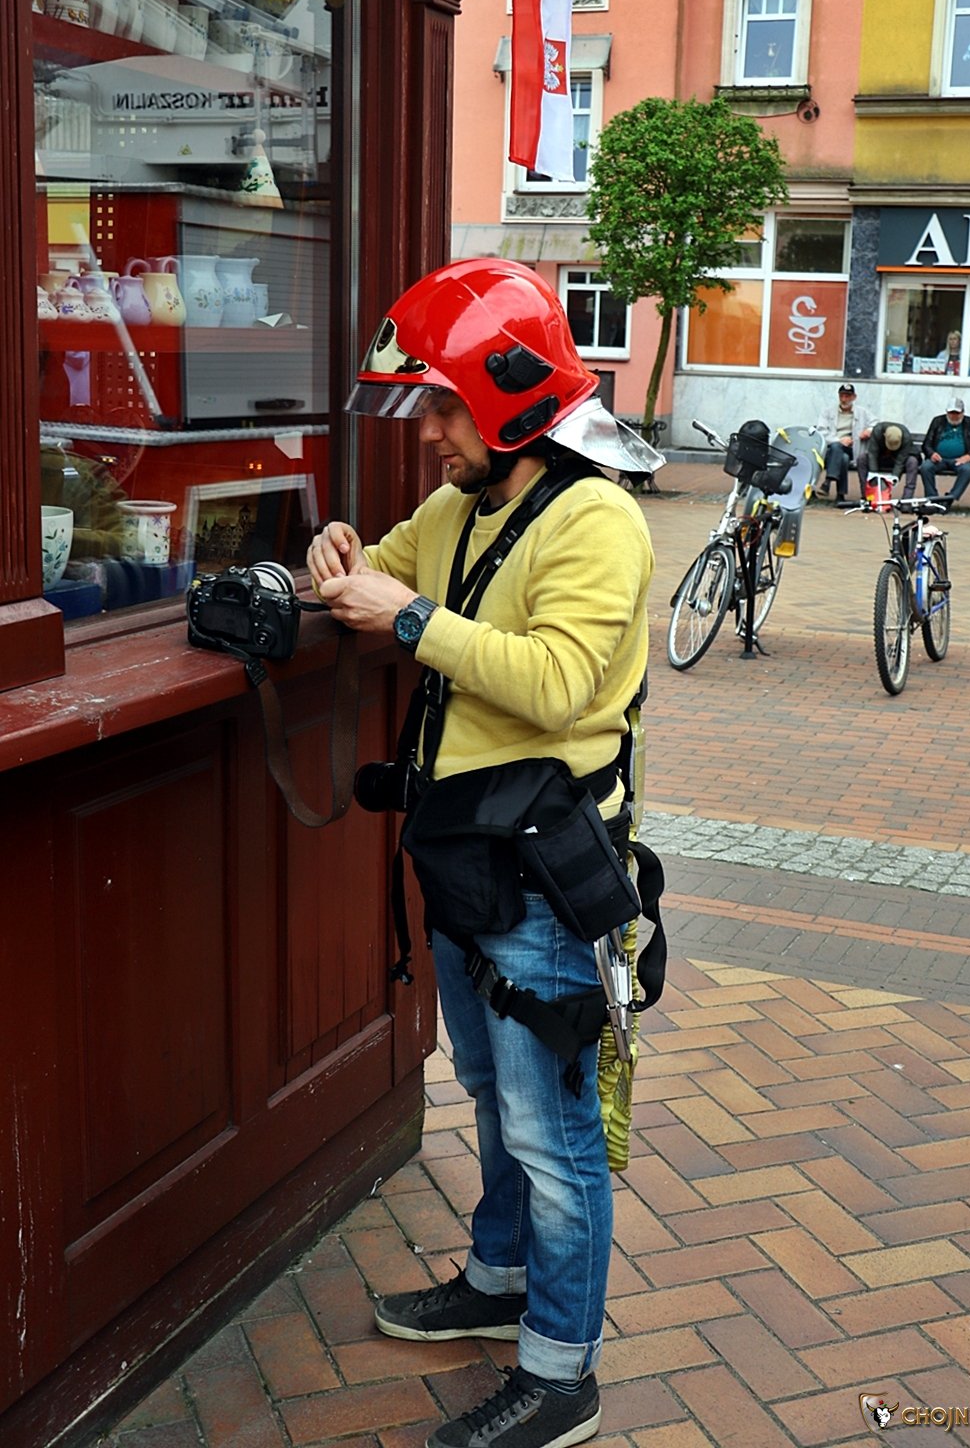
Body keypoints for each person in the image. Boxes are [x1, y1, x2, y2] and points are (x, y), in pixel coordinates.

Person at [307, 259, 662, 1448]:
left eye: (449, 407)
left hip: (544, 877)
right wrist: (342, 556)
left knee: (554, 1140)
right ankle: (499, 1278)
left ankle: (561, 1378)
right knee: (494, 1101)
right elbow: (383, 567)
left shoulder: (596, 519)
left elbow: (557, 683)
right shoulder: (461, 507)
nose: (431, 432)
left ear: (511, 402)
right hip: (466, 856)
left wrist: (407, 618)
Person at [920, 395, 970, 506]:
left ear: (962, 412)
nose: (954, 416)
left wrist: (969, 456)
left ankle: (950, 498)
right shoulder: (937, 421)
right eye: (951, 413)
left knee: (968, 470)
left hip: (960, 460)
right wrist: (931, 453)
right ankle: (932, 498)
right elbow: (927, 443)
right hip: (939, 459)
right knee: (926, 467)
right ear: (947, 412)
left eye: (957, 413)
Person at [815, 382, 873, 502]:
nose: (844, 399)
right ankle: (840, 495)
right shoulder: (827, 412)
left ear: (854, 397)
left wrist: (868, 430)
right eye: (841, 396)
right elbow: (821, 431)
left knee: (842, 453)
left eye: (847, 396)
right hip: (830, 450)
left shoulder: (862, 412)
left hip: (852, 449)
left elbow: (876, 424)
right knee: (842, 457)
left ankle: (828, 482)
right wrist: (839, 440)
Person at [865, 421, 918, 500]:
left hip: (897, 459)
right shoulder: (877, 431)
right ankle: (868, 497)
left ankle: (907, 499)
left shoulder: (906, 437)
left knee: (912, 461)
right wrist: (873, 475)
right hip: (881, 458)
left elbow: (901, 459)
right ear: (884, 435)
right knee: (862, 459)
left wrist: (895, 476)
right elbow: (873, 453)